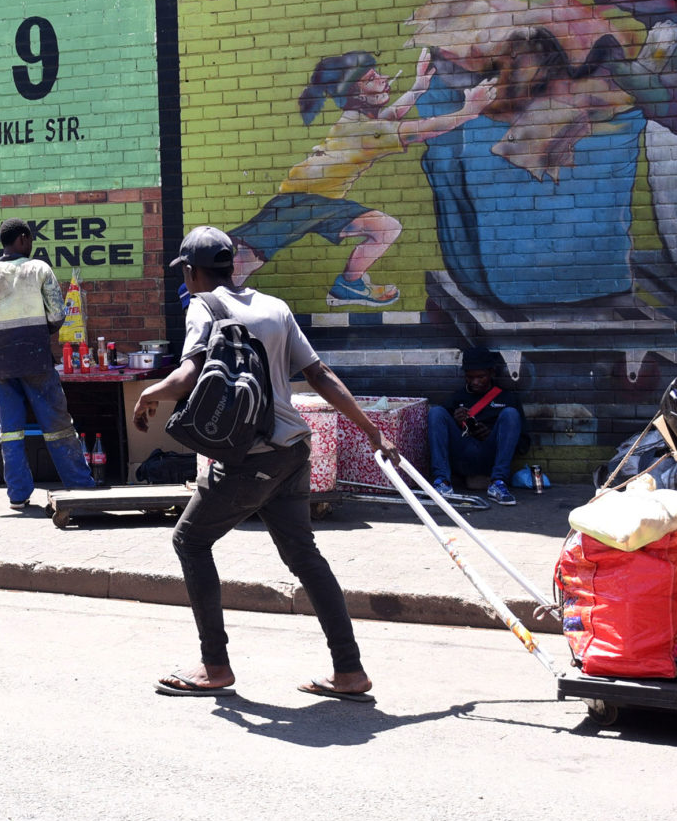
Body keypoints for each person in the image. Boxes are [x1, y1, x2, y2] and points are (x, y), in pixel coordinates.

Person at [133, 226, 387, 702]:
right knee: (305, 557)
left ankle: (214, 666)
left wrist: (152, 391)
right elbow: (321, 375)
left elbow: (188, 374)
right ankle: (349, 672)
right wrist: (373, 432)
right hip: (293, 449)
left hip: (252, 457)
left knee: (189, 540)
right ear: (232, 266)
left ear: (190, 271)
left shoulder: (203, 306)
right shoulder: (275, 307)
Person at [229, 51, 496, 307]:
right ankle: (208, 299)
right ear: (356, 95)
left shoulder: (358, 119)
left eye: (377, 74)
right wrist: (468, 110)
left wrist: (418, 87)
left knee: (384, 228)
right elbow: (420, 129)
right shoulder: (366, 131)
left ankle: (349, 284)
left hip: (324, 200)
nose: (382, 78)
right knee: (247, 259)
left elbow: (388, 118)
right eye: (370, 79)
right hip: (299, 203)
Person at [0, 218, 96, 508]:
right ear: (24, 239)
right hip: (36, 361)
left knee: (10, 431)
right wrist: (40, 329)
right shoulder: (39, 269)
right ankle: (80, 487)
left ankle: (18, 495)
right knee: (58, 427)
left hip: (2, 364)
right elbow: (57, 315)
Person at [427, 348, 525, 505]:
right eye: (470, 377)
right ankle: (442, 483)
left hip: (491, 457)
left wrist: (493, 434)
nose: (475, 382)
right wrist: (456, 421)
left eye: (481, 377)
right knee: (436, 412)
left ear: (492, 373)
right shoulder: (457, 397)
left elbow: (523, 443)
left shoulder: (508, 398)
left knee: (511, 414)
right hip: (463, 455)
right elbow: (440, 433)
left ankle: (498, 484)